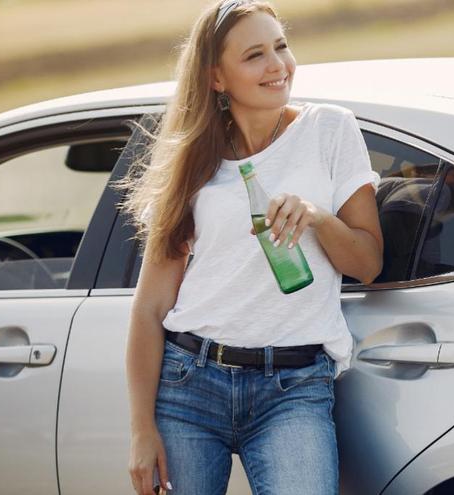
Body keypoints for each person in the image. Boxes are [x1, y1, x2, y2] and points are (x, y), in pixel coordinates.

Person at [119, 1, 382, 494]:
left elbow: (367, 264)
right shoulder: (190, 159)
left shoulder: (330, 129)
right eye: (255, 55)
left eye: (281, 46)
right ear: (217, 77)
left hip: (295, 386)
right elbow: (150, 306)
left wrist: (318, 217)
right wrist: (141, 430)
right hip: (188, 383)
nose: (277, 65)